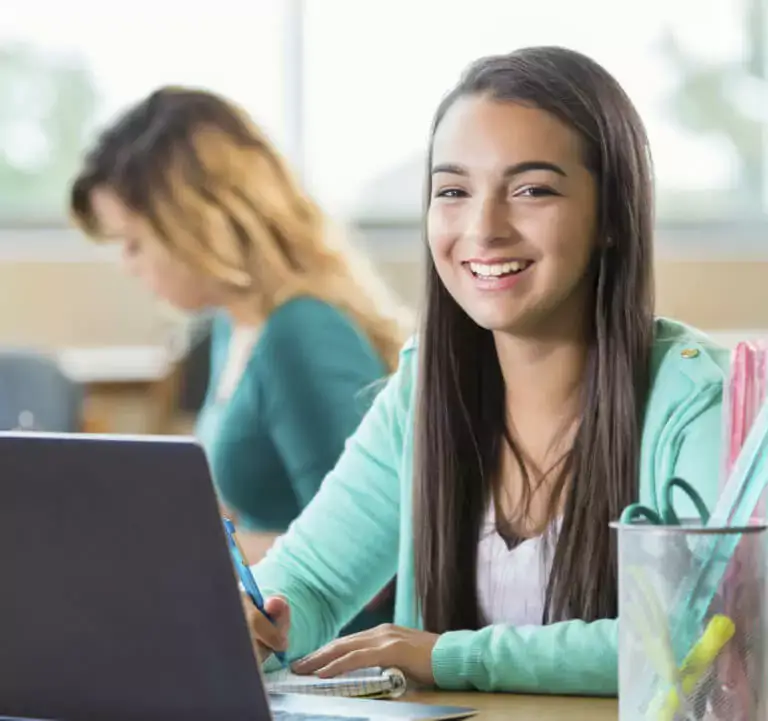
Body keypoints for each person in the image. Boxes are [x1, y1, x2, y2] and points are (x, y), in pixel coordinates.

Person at [243, 46, 729, 695]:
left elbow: (692, 633)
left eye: (531, 190)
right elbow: (313, 581)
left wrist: (451, 654)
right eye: (452, 191)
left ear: (612, 215)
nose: (483, 227)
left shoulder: (699, 400)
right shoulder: (424, 391)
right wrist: (257, 616)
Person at [69, 86, 410, 634]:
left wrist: (182, 550)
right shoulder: (232, 327)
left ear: (196, 225)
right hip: (265, 631)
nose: (128, 266)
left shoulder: (301, 334)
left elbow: (372, 563)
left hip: (326, 654)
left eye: (133, 243)